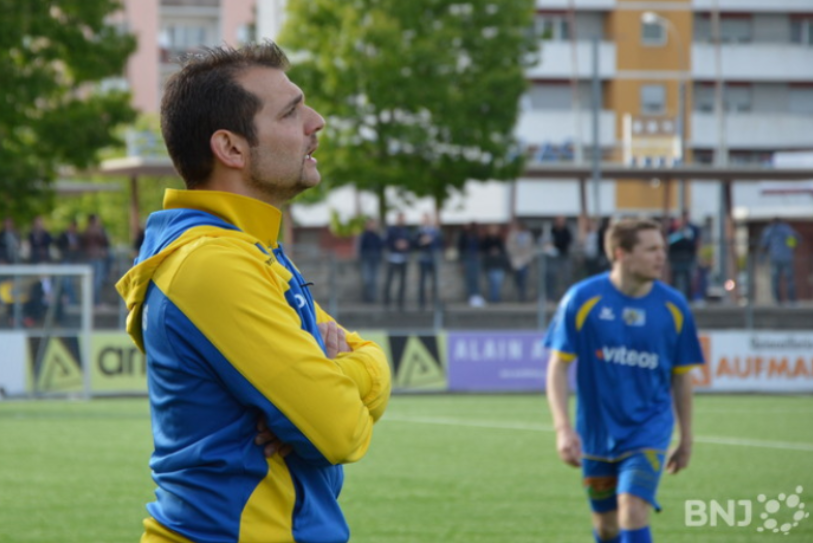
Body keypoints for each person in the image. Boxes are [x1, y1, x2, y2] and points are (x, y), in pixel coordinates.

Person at [115, 43, 392, 543]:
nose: (317, 121)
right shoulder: (212, 264)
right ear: (233, 149)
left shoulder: (250, 252)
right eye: (290, 112)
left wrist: (342, 373)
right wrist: (344, 381)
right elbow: (338, 429)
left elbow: (368, 359)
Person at [545, 218, 704, 543]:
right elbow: (557, 367)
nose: (662, 256)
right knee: (607, 526)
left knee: (632, 509)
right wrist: (563, 428)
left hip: (648, 428)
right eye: (652, 249)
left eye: (662, 248)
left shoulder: (674, 306)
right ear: (622, 254)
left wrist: (686, 437)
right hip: (596, 433)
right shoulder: (582, 299)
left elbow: (681, 377)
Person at [760, 217, 800, 305]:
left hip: (775, 258)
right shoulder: (786, 229)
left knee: (775, 280)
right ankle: (792, 301)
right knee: (789, 279)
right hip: (787, 257)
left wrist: (762, 257)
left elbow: (764, 244)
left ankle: (778, 301)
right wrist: (791, 247)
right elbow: (796, 239)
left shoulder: (769, 230)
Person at [666, 211, 701, 300]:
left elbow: (696, 242)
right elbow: (669, 241)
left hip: (688, 256)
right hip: (675, 256)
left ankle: (689, 298)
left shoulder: (693, 228)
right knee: (674, 278)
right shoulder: (673, 228)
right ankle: (673, 298)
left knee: (688, 278)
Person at [383, 212, 411, 310]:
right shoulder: (391, 230)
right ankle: (386, 302)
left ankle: (401, 302)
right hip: (393, 258)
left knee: (402, 282)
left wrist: (405, 245)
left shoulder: (406, 231)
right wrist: (396, 244)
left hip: (403, 258)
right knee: (389, 281)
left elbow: (411, 242)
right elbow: (386, 242)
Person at [414, 212, 443, 310]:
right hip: (423, 259)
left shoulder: (435, 231)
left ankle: (435, 302)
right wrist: (422, 242)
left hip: (433, 258)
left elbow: (440, 243)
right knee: (422, 281)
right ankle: (421, 303)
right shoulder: (418, 231)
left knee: (434, 281)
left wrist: (431, 240)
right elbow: (414, 244)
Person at [81, 214, 110, 306]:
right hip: (96, 257)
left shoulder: (86, 231)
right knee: (96, 281)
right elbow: (104, 241)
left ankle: (92, 301)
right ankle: (95, 301)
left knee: (93, 280)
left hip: (90, 257)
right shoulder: (96, 231)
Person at [505, 219, 535, 302]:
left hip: (525, 261)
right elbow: (509, 247)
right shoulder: (513, 235)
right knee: (518, 279)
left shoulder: (528, 235)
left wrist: (527, 257)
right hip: (516, 260)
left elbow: (530, 248)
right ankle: (518, 296)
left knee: (524, 278)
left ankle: (523, 296)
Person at [356, 217, 384, 303]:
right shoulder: (364, 236)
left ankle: (373, 298)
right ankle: (366, 298)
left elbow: (380, 246)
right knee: (367, 279)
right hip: (367, 259)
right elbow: (361, 248)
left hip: (375, 259)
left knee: (374, 280)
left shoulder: (376, 236)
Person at [457, 222, 484, 307]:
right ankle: (471, 296)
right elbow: (460, 249)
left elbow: (481, 247)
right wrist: (461, 262)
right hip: (467, 259)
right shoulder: (463, 236)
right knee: (469, 279)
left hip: (475, 259)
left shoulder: (477, 236)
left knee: (475, 278)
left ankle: (476, 296)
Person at [550, 215, 573, 300]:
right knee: (553, 277)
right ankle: (552, 296)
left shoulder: (566, 231)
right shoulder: (552, 230)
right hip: (554, 258)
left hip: (565, 256)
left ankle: (567, 296)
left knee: (566, 277)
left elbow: (568, 241)